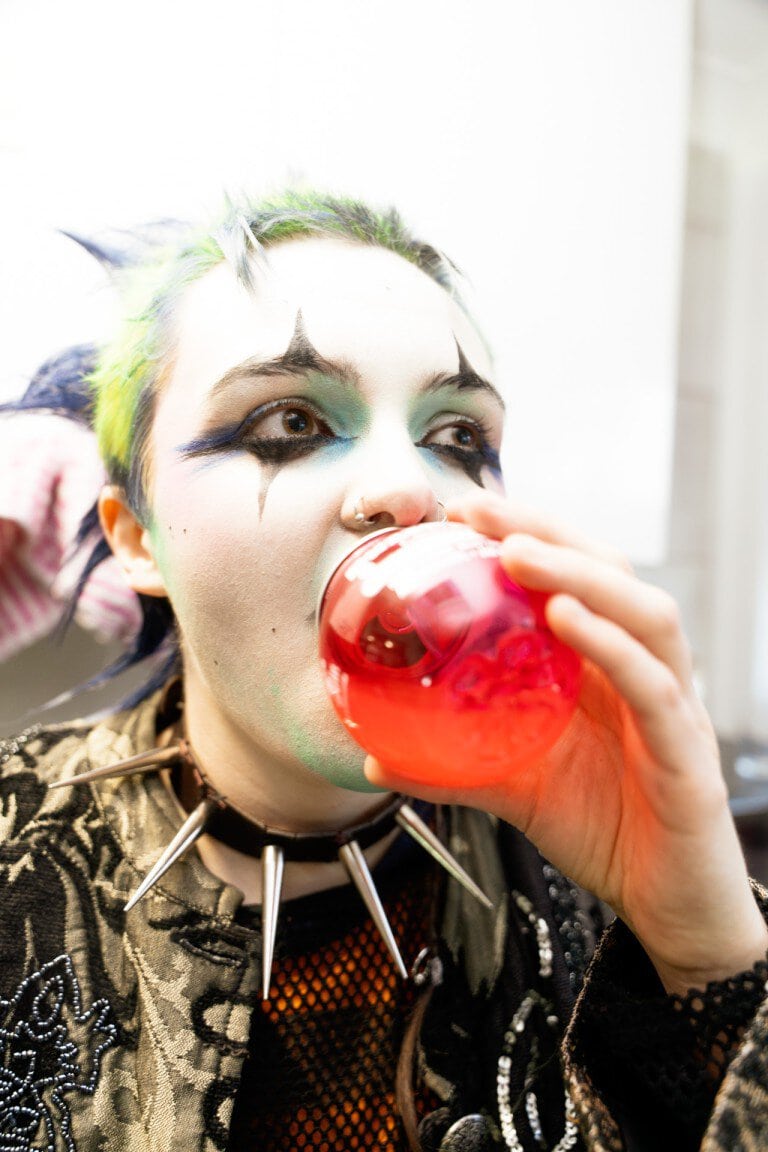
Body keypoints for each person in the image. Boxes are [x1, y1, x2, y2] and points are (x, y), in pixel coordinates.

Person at [1, 189, 767, 1152]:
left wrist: (707, 958)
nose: (413, 488)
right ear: (136, 540)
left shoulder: (593, 884)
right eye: (288, 422)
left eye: (457, 439)